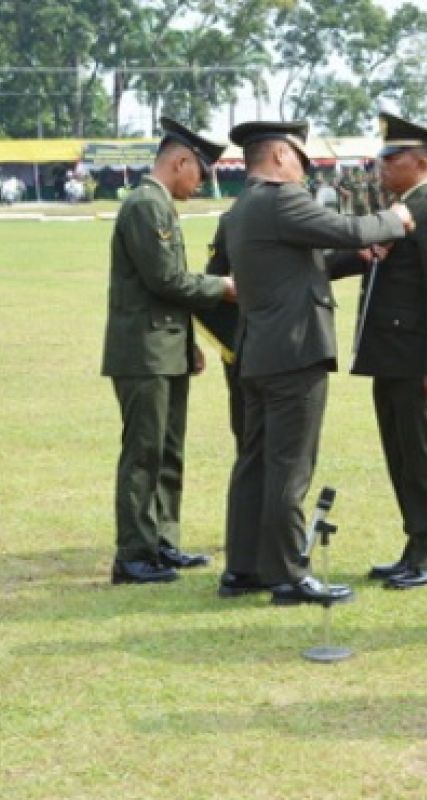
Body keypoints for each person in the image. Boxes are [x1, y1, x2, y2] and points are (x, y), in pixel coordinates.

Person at [216, 120, 414, 605]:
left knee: (256, 465)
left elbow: (300, 265)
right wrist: (396, 219)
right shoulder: (282, 199)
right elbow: (346, 229)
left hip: (261, 350)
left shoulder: (245, 206)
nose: (303, 174)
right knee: (290, 466)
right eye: (302, 162)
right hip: (293, 352)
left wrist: (359, 258)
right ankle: (288, 574)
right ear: (283, 155)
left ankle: (244, 568)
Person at [328, 114, 427, 590]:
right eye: (382, 156)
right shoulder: (400, 206)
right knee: (401, 454)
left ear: (423, 162)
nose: (381, 164)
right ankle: (415, 546)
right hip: (389, 354)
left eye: (393, 157)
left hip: (418, 357)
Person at [101, 117, 236, 585]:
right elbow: (167, 280)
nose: (200, 184)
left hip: (167, 347)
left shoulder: (160, 206)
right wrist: (223, 287)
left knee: (168, 450)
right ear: (179, 162)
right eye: (199, 173)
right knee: (144, 452)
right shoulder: (145, 206)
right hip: (144, 352)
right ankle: (134, 554)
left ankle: (162, 541)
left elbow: (167, 291)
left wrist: (191, 342)